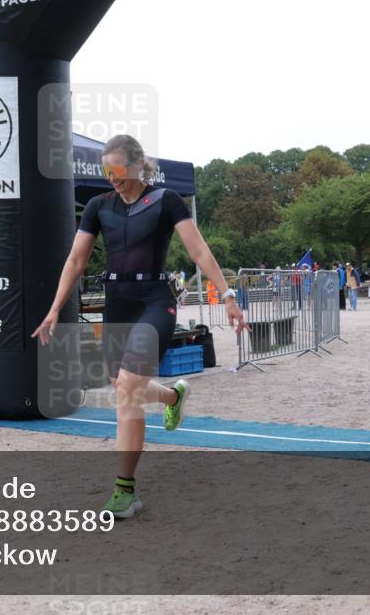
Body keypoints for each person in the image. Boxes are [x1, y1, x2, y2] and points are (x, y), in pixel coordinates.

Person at [32, 134, 248, 519]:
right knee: (122, 385)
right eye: (106, 172)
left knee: (128, 391)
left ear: (137, 165)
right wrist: (53, 310)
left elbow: (199, 251)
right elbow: (76, 261)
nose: (112, 178)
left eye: (117, 170)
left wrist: (228, 295)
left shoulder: (166, 199)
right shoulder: (98, 206)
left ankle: (124, 490)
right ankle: (173, 397)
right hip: (118, 304)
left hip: (154, 302)